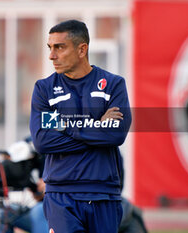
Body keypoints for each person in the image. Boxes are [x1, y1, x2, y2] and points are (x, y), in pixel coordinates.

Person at [30, 20, 132, 233]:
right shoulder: (44, 89)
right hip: (60, 196)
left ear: (82, 49)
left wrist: (64, 124)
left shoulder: (113, 84)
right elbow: (42, 141)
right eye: (50, 47)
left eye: (59, 47)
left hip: (104, 194)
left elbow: (116, 134)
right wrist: (97, 126)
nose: (51, 55)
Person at [0, 139, 48, 233]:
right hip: (37, 210)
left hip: (53, 214)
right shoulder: (34, 144)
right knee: (3, 214)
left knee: (39, 210)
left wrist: (52, 187)